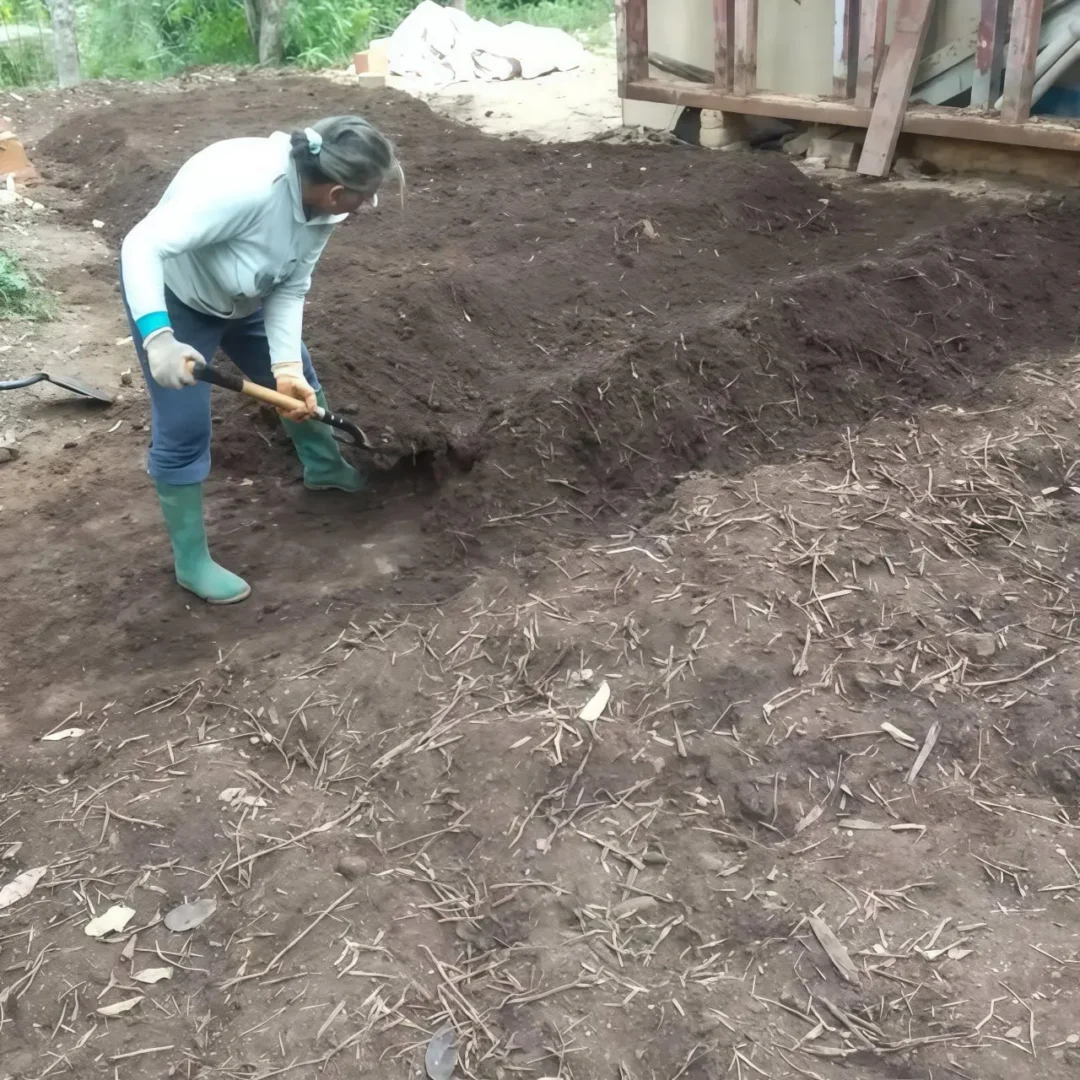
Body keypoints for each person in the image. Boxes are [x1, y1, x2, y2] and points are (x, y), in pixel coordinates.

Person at [121, 115, 400, 605]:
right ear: (335, 191)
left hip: (245, 298)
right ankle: (192, 562)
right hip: (178, 304)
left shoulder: (323, 209)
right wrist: (158, 337)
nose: (371, 204)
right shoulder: (246, 190)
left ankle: (325, 467)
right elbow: (141, 244)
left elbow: (291, 284)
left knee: (299, 383)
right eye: (367, 193)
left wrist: (286, 368)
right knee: (184, 429)